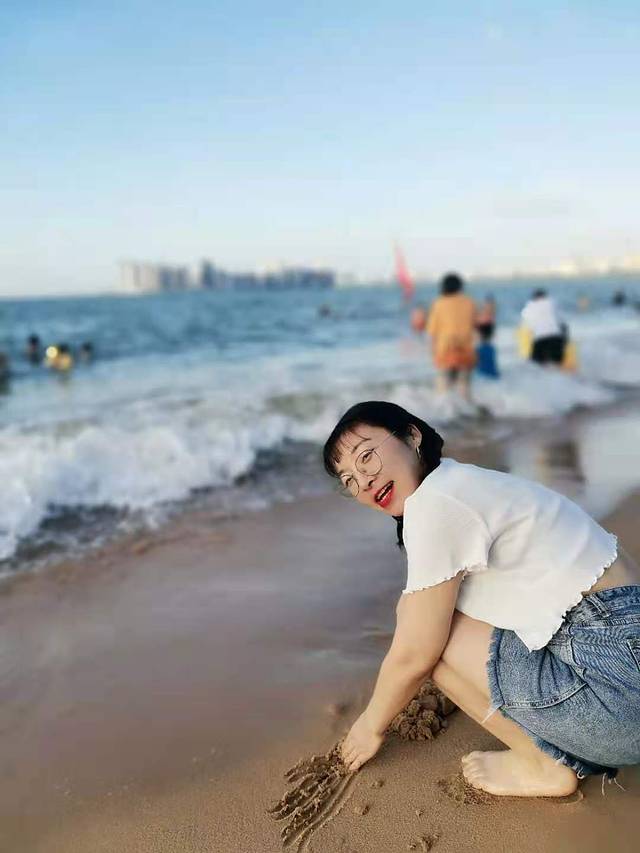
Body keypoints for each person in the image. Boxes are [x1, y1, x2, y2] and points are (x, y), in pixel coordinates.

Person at [323, 401, 640, 797]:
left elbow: (415, 652)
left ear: (412, 435)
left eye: (366, 456)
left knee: (426, 635)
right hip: (623, 658)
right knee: (425, 615)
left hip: (620, 701)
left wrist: (369, 726)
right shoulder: (462, 482)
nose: (364, 481)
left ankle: (541, 765)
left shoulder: (435, 503)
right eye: (349, 480)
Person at [426, 273, 477, 399]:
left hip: (445, 351)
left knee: (443, 391)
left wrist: (434, 354)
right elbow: (475, 327)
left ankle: (446, 410)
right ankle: (466, 408)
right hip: (465, 352)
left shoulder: (438, 303)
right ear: (460, 286)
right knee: (464, 389)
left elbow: (432, 332)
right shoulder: (469, 302)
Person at [520, 290, 565, 366]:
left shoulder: (529, 307)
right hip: (556, 337)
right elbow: (562, 323)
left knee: (537, 365)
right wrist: (564, 341)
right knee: (557, 364)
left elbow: (526, 326)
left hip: (540, 339)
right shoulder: (553, 303)